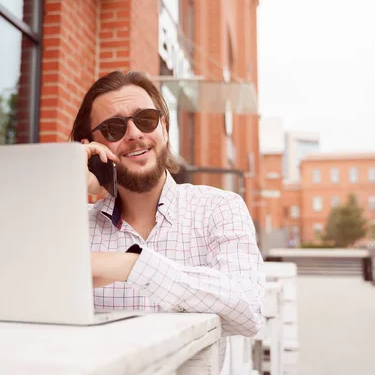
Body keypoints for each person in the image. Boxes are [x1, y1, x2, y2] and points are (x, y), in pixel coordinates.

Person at [70, 70, 265, 366]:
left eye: (145, 119)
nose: (135, 133)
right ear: (93, 148)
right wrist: (68, 179)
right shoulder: (74, 226)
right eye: (113, 128)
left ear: (164, 127)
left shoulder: (219, 207)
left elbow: (248, 311)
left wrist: (132, 265)